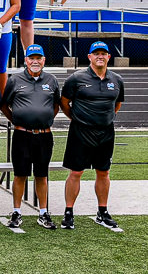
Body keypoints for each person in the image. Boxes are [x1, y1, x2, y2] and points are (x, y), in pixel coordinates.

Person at [59, 41, 125, 230]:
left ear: (108, 57)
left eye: (103, 53)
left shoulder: (117, 79)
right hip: (81, 131)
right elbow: (65, 102)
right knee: (76, 172)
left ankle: (102, 211)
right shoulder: (76, 78)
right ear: (89, 57)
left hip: (105, 132)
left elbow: (116, 105)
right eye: (96, 53)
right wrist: (77, 118)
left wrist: (105, 118)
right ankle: (69, 212)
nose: (100, 56)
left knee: (103, 172)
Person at [0, 44, 61, 230]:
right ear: (25, 60)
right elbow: (4, 105)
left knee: (42, 175)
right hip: (22, 135)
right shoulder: (15, 80)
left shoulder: (51, 80)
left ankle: (43, 212)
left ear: (43, 60)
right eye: (31, 58)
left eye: (38, 58)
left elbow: (56, 105)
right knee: (20, 174)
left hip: (44, 136)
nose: (35, 61)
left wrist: (45, 119)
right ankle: (17, 211)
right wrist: (17, 121)